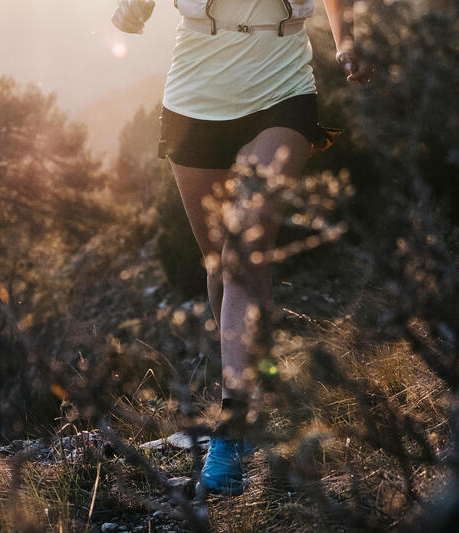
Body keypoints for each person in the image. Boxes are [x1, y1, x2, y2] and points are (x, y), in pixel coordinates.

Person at [112, 0, 367, 496]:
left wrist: (346, 41)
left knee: (243, 261)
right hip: (195, 95)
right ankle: (248, 384)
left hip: (281, 88)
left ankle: (232, 429)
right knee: (217, 267)